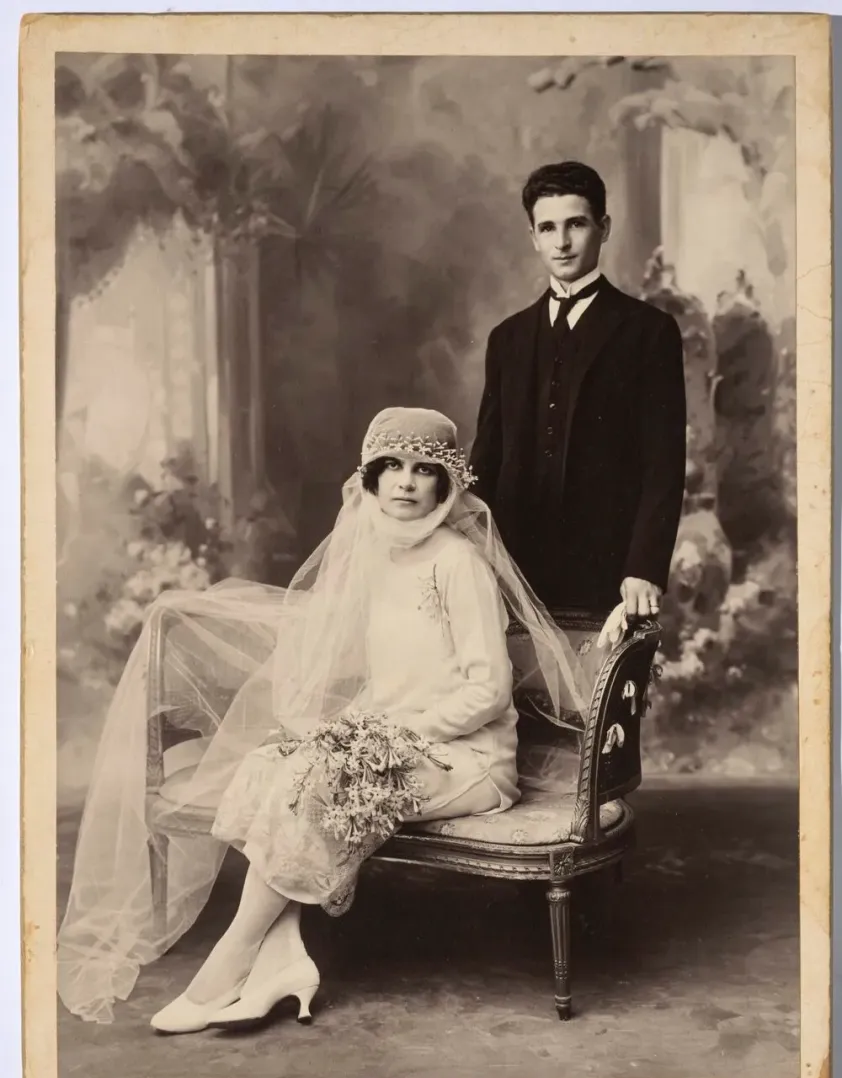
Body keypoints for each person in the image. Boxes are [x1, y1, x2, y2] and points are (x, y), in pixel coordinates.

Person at [57, 407, 593, 1033]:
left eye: (424, 470)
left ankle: (229, 964)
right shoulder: (374, 555)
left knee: (324, 784)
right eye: (391, 466)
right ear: (370, 478)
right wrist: (351, 730)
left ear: (447, 485)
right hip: (392, 742)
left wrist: (390, 735)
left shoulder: (457, 562)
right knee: (270, 767)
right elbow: (371, 672)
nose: (405, 482)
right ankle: (284, 958)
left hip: (467, 760)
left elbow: (490, 691)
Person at [470, 160, 687, 622]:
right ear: (533, 236)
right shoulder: (507, 339)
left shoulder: (648, 331)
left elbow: (664, 464)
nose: (562, 242)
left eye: (576, 224)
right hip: (511, 573)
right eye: (547, 228)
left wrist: (645, 567)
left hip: (611, 575)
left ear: (603, 228)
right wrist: (471, 559)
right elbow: (485, 461)